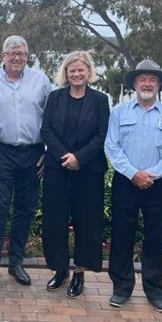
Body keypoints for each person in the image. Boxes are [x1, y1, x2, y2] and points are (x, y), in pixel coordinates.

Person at [104, 59, 162, 312]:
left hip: (158, 184)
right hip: (126, 182)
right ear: (134, 84)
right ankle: (122, 287)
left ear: (159, 84)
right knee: (121, 234)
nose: (147, 83)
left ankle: (154, 290)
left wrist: (152, 175)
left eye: (152, 79)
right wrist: (133, 173)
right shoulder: (119, 112)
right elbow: (112, 147)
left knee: (155, 237)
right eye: (142, 79)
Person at [0, 35, 52, 295]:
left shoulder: (41, 81)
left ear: (27, 56)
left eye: (21, 53)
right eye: (12, 53)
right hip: (1, 151)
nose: (17, 57)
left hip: (33, 153)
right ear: (3, 56)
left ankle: (16, 262)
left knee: (25, 209)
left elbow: (52, 120)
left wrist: (49, 153)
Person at [40, 51, 109, 298]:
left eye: (81, 70)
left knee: (86, 221)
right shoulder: (55, 97)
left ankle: (79, 272)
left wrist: (79, 158)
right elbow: (46, 130)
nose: (77, 74)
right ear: (66, 74)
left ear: (89, 73)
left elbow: (102, 134)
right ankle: (60, 270)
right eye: (72, 70)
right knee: (55, 221)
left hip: (88, 170)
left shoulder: (100, 100)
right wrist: (65, 156)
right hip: (57, 168)